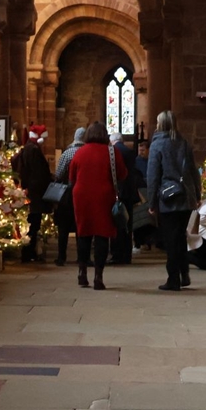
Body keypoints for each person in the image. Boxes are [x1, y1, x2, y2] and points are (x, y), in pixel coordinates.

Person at [68, 121, 127, 290]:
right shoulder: (111, 152)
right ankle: (98, 276)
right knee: (102, 235)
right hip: (103, 196)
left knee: (83, 233)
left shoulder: (80, 152)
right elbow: (122, 174)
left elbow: (71, 176)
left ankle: (82, 272)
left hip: (81, 196)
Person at [147, 110, 201, 291]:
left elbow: (153, 175)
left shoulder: (157, 144)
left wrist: (151, 202)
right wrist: (197, 195)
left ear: (160, 124)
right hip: (185, 197)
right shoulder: (183, 143)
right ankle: (184, 274)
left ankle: (173, 279)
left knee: (171, 240)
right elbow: (193, 171)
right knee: (180, 238)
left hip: (167, 198)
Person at [10, 124, 53, 263]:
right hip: (34, 193)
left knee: (33, 223)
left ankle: (30, 252)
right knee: (33, 223)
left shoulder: (29, 148)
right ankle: (28, 253)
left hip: (32, 191)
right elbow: (37, 173)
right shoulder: (33, 150)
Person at [51, 126, 86, 266]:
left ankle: (61, 257)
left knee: (63, 228)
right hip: (83, 193)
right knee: (80, 226)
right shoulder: (86, 152)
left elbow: (59, 174)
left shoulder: (67, 153)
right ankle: (82, 257)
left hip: (67, 193)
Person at [109, 133, 139, 264]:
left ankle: (117, 254)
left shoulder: (113, 152)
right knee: (128, 224)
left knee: (116, 223)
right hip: (130, 192)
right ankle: (127, 255)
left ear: (112, 141)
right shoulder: (130, 152)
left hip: (119, 192)